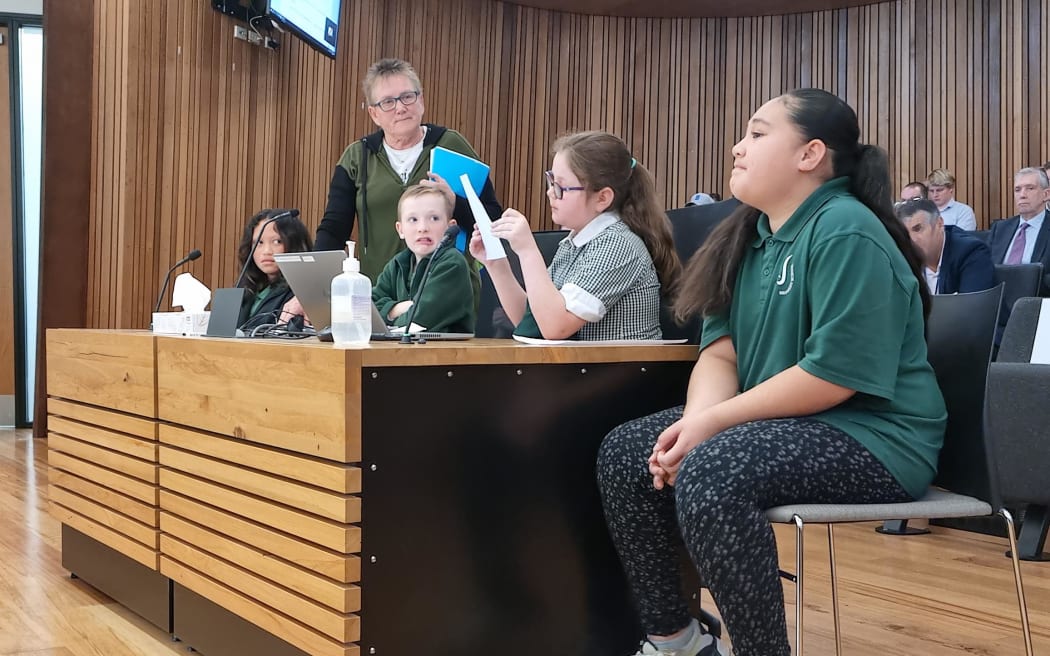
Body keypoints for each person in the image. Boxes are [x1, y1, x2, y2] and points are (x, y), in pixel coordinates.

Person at [596, 89, 946, 656]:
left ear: (809, 155)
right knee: (628, 451)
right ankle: (676, 641)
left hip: (876, 438)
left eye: (758, 134)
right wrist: (696, 421)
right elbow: (721, 353)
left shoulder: (846, 229)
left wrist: (710, 428)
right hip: (782, 426)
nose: (738, 146)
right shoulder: (749, 237)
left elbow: (834, 376)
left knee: (713, 468)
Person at [469, 130, 680, 341]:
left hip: (622, 371)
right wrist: (496, 265)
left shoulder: (618, 244)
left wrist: (527, 250)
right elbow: (535, 323)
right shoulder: (573, 244)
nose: (550, 192)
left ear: (602, 198)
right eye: (551, 181)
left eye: (560, 187)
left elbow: (555, 327)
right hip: (582, 370)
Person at [314, 58, 502, 280]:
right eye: (388, 102)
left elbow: (493, 220)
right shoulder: (357, 157)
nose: (400, 108)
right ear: (374, 114)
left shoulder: (452, 145)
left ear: (421, 100)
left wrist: (455, 203)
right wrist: (312, 284)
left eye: (407, 97)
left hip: (449, 290)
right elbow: (334, 229)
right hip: (380, 295)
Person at [372, 185, 475, 333]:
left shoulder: (452, 263)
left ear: (449, 226)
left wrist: (387, 318)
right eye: (413, 219)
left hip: (444, 354)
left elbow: (419, 321)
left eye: (434, 218)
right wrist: (396, 309)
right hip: (399, 352)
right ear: (400, 229)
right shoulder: (397, 264)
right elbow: (367, 311)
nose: (423, 228)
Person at [895, 198, 994, 294]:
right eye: (905, 234)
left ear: (939, 223)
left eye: (918, 229)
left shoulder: (971, 252)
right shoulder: (902, 257)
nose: (912, 239)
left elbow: (973, 306)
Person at [236, 208, 312, 331]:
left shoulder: (299, 296)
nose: (266, 251)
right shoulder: (246, 290)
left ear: (293, 244)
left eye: (277, 242)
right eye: (259, 243)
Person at [988, 166, 1050, 292]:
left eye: (1030, 188)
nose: (1022, 195)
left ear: (1046, 194)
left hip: (1036, 302)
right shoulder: (1000, 228)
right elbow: (984, 268)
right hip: (996, 302)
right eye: (1017, 190)